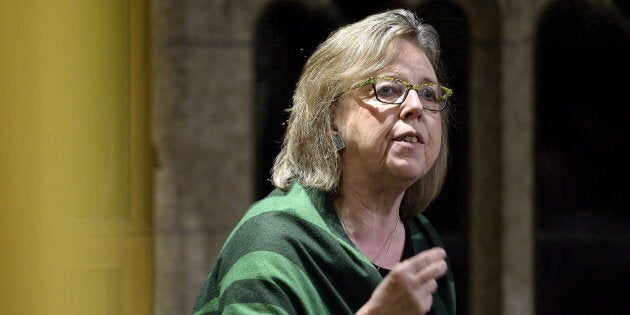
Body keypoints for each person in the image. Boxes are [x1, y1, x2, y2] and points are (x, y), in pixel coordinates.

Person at [193, 8, 456, 315]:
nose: (415, 106)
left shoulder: (422, 240)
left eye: (428, 93)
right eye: (387, 89)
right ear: (331, 118)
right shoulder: (273, 242)